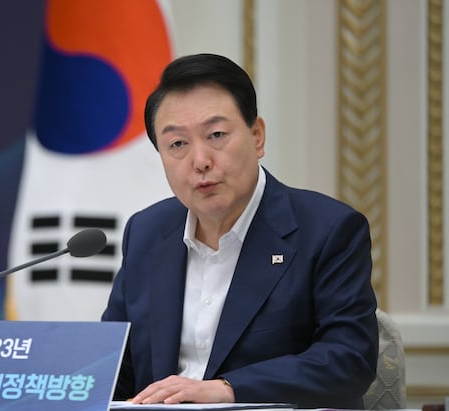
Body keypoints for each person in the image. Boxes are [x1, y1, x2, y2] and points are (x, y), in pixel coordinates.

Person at [101, 53, 378, 408]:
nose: (200, 161)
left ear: (257, 136)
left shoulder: (328, 230)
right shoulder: (146, 232)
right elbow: (114, 369)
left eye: (216, 135)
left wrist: (226, 389)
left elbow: (348, 359)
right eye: (178, 144)